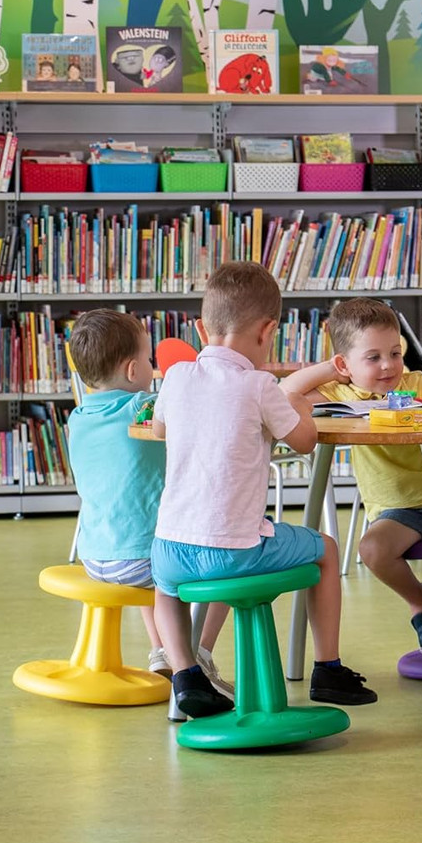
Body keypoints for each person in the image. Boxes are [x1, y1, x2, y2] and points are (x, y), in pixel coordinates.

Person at [150, 262, 378, 718]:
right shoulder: (259, 385)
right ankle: (328, 669)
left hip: (169, 549)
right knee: (326, 550)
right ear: (268, 330)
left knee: (166, 591)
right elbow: (305, 441)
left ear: (201, 328)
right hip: (235, 551)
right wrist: (296, 405)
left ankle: (186, 675)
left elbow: (159, 430)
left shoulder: (176, 378)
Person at [280, 299, 422, 656]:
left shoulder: (416, 383)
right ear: (344, 365)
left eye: (394, 352)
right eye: (373, 357)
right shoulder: (339, 393)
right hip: (399, 508)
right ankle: (421, 600)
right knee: (372, 551)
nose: (388, 365)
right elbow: (286, 393)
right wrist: (332, 369)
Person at [67, 310, 230, 690]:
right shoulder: (144, 407)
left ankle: (160, 650)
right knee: (226, 561)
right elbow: (198, 404)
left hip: (94, 557)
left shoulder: (77, 417)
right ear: (132, 370)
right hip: (143, 561)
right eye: (147, 359)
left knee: (149, 549)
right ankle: (197, 652)